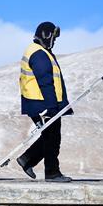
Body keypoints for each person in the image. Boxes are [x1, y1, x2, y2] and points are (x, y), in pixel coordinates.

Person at [17, 22, 72, 182]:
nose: (54, 41)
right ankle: (52, 173)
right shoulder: (39, 54)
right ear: (46, 35)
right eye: (53, 38)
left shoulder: (41, 52)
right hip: (42, 104)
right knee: (52, 138)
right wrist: (52, 107)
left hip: (41, 102)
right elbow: (45, 82)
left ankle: (27, 159)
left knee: (51, 136)